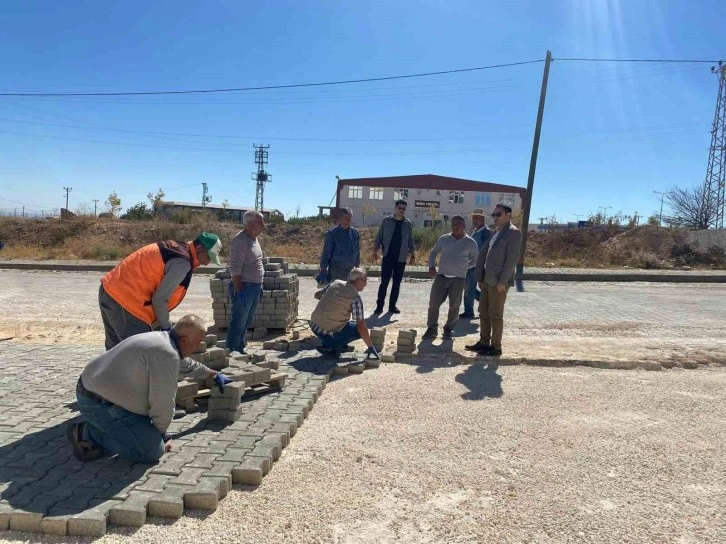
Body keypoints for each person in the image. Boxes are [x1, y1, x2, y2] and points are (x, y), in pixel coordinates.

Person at [67, 314, 233, 463]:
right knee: (151, 451)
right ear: (183, 340)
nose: (198, 347)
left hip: (93, 390)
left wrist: (212, 374)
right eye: (197, 343)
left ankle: (113, 430)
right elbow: (163, 404)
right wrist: (158, 435)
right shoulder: (166, 355)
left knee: (148, 436)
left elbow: (186, 365)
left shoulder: (164, 340)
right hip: (97, 403)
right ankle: (86, 433)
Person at [98, 233, 222, 350]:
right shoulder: (182, 262)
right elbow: (160, 299)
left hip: (110, 290)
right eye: (208, 257)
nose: (206, 263)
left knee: (114, 355)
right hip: (127, 303)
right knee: (140, 355)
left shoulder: (176, 248)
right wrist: (167, 329)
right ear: (199, 248)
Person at [466, 203, 522, 357]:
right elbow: (485, 254)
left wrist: (503, 281)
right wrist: (480, 277)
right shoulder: (496, 231)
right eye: (494, 214)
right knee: (483, 312)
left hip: (499, 282)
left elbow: (511, 260)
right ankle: (484, 343)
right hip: (487, 279)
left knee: (495, 314)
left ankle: (496, 347)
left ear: (508, 215)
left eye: (499, 214)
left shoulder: (513, 233)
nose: (495, 217)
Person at [422, 216, 479, 340]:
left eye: (458, 224)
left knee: (454, 306)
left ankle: (448, 329)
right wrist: (431, 266)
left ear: (464, 226)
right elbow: (433, 252)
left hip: (458, 279)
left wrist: (464, 267)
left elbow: (475, 259)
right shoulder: (444, 239)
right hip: (441, 277)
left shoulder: (470, 242)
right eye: (453, 223)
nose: (455, 226)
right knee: (433, 304)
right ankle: (432, 329)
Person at [309, 267, 380, 359]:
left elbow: (317, 295)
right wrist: (371, 347)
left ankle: (331, 343)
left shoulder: (335, 283)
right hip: (327, 332)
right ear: (358, 280)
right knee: (359, 330)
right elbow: (361, 326)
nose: (366, 284)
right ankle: (332, 347)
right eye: (364, 280)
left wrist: (332, 302)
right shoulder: (355, 299)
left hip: (314, 326)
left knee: (345, 323)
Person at [227, 210, 265, 354]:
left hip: (255, 287)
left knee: (247, 321)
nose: (263, 225)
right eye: (260, 222)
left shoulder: (253, 239)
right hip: (245, 287)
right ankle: (231, 350)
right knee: (238, 321)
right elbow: (234, 268)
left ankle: (240, 347)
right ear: (249, 225)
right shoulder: (240, 241)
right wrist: (240, 291)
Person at [372, 199, 416, 314]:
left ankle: (392, 306)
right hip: (387, 257)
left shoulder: (407, 224)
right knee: (384, 283)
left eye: (403, 209)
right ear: (395, 208)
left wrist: (413, 255)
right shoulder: (386, 221)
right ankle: (379, 306)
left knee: (396, 284)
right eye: (399, 208)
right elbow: (379, 237)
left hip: (401, 258)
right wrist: (374, 251)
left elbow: (410, 240)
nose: (401, 211)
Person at [459, 208, 492, 319]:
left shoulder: (486, 232)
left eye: (477, 218)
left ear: (483, 218)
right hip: (471, 264)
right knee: (469, 288)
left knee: (469, 288)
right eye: (474, 218)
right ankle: (487, 304)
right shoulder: (476, 231)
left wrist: (483, 268)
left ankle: (469, 311)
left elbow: (487, 251)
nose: (474, 220)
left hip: (477, 266)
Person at [319, 207, 360, 283]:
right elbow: (326, 252)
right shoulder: (332, 233)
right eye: (346, 219)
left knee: (349, 294)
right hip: (336, 271)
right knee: (336, 293)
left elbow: (357, 251)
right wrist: (323, 269)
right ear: (340, 219)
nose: (348, 221)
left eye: (350, 219)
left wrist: (357, 267)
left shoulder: (355, 233)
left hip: (350, 271)